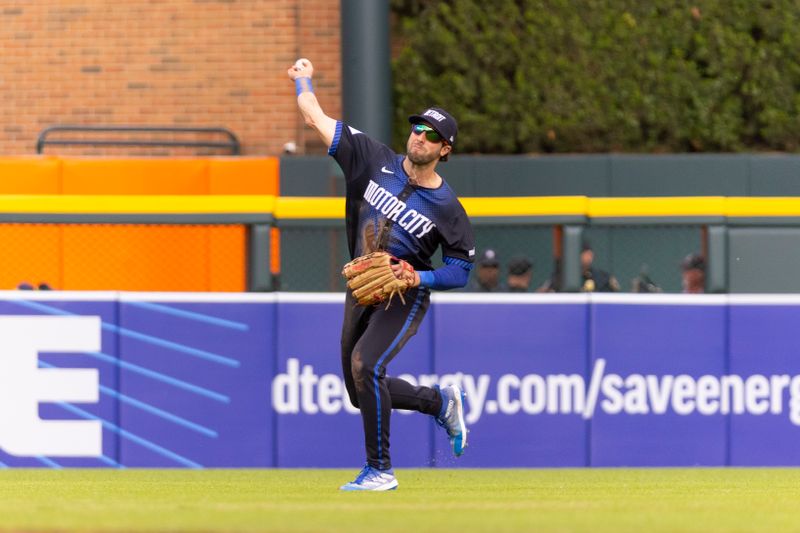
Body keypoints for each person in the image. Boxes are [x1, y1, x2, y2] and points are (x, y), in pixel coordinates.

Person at [288, 58, 474, 491]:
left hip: (403, 296)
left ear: (444, 149)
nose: (421, 137)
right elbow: (315, 117)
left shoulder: (447, 206)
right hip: (361, 287)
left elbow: (461, 268)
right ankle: (440, 402)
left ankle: (380, 471)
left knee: (364, 363)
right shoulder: (372, 159)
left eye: (432, 136)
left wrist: (418, 279)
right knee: (358, 388)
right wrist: (304, 79)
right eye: (417, 129)